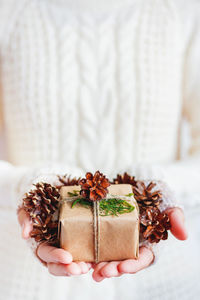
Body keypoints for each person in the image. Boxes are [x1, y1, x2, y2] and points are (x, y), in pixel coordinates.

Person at [0, 0, 199, 299]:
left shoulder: (182, 11)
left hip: (166, 287)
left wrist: (158, 189)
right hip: (24, 287)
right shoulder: (10, 12)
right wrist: (26, 188)